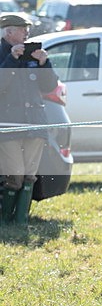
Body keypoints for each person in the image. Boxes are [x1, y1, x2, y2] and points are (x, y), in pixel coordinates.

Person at [0, 14, 58, 224]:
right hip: (9, 124)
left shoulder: (31, 54)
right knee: (14, 174)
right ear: (9, 32)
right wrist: (11, 60)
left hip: (35, 122)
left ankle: (21, 220)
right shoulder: (3, 55)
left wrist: (44, 63)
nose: (26, 34)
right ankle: (6, 219)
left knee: (29, 175)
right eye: (22, 30)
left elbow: (49, 87)